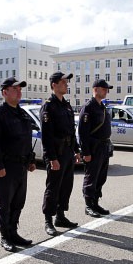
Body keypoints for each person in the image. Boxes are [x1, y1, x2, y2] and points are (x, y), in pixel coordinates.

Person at [0, 77, 37, 252]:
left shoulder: (21, 113)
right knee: (5, 203)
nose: (19, 92)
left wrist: (30, 160)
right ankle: (5, 236)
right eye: (15, 89)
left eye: (20, 89)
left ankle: (13, 232)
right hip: (6, 167)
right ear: (4, 92)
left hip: (21, 166)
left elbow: (26, 139)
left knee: (18, 201)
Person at [40, 72, 81, 236]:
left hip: (68, 152)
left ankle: (61, 216)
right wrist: (52, 158)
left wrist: (76, 150)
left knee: (66, 186)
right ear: (54, 85)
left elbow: (72, 131)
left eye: (66, 82)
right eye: (63, 82)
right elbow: (46, 136)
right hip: (56, 153)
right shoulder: (49, 106)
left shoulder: (66, 105)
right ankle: (48, 220)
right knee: (53, 187)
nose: (66, 84)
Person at [78, 79, 113, 218]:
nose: (106, 91)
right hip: (93, 147)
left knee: (101, 176)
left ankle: (95, 202)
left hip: (103, 146)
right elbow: (83, 132)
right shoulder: (88, 107)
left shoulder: (101, 107)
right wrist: (86, 152)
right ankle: (88, 205)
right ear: (96, 89)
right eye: (104, 89)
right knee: (91, 177)